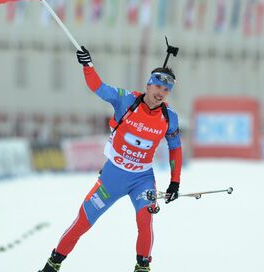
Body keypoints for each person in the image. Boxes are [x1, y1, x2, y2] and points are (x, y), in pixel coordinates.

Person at [38, 46, 183, 272]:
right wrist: (88, 66)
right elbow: (98, 87)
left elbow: (175, 148)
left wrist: (175, 181)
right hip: (113, 177)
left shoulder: (169, 117)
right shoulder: (126, 100)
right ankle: (53, 262)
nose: (161, 92)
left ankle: (142, 267)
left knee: (145, 221)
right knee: (83, 221)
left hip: (142, 180)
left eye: (167, 89)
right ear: (148, 84)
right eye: (158, 85)